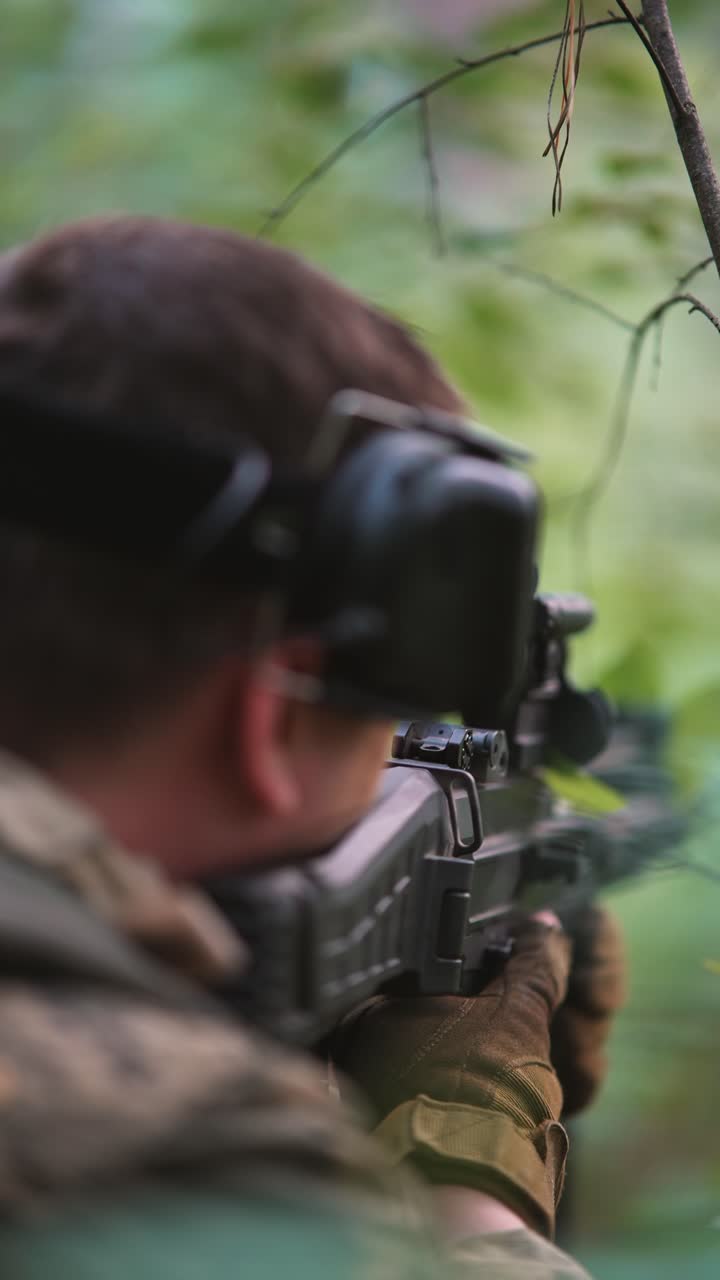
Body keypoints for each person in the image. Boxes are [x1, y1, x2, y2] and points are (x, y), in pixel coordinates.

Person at [0, 216, 624, 1278]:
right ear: (272, 721)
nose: (395, 758)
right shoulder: (176, 1153)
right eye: (385, 726)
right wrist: (471, 1152)